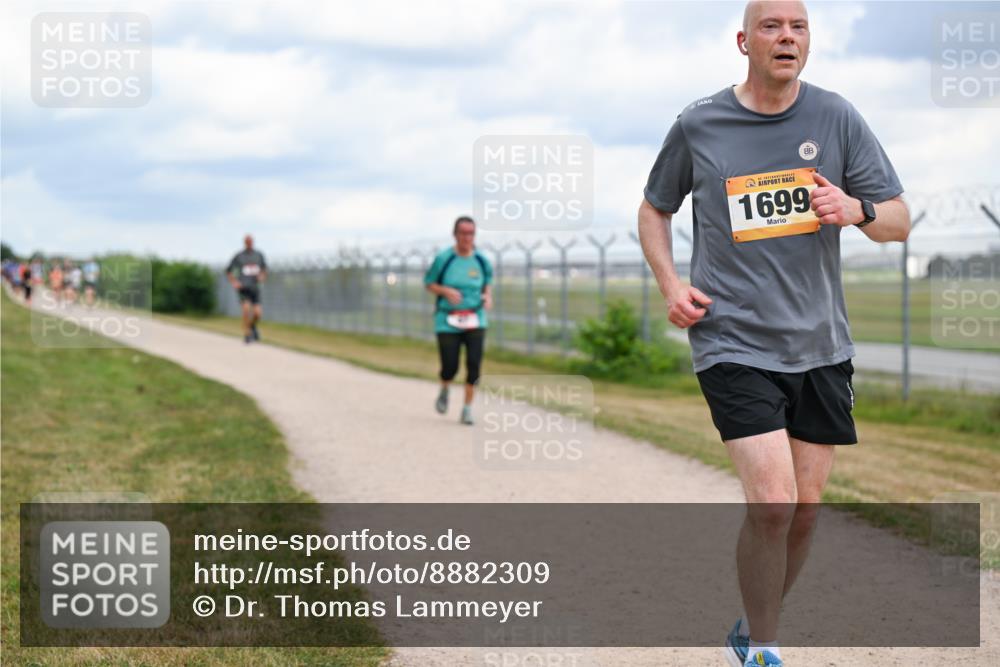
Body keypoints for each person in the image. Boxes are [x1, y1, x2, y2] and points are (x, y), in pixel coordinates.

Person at [637, 2, 910, 666]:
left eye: (798, 27)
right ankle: (763, 647)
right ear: (744, 41)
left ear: (808, 42)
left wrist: (857, 209)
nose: (786, 36)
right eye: (771, 26)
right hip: (731, 341)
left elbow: (899, 220)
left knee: (806, 509)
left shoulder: (837, 117)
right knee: (774, 501)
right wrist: (672, 285)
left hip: (820, 346)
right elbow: (654, 209)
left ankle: (751, 621)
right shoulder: (700, 123)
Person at [424, 216, 493, 425]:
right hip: (447, 319)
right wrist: (444, 290)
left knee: (474, 365)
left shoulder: (481, 260)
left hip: (475, 318)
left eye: (471, 233)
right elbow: (429, 283)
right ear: (455, 234)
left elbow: (487, 283)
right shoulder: (444, 259)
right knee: (450, 366)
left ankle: (467, 409)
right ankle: (445, 387)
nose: (467, 237)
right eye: (463, 233)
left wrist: (488, 296)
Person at [226, 235, 268, 344]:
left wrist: (262, 276)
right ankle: (247, 334)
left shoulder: (258, 255)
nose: (249, 243)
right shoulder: (239, 256)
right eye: (247, 241)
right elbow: (228, 270)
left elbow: (264, 269)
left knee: (258, 313)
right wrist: (234, 282)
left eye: (251, 241)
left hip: (255, 288)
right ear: (244, 243)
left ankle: (252, 326)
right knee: (245, 310)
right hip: (243, 288)